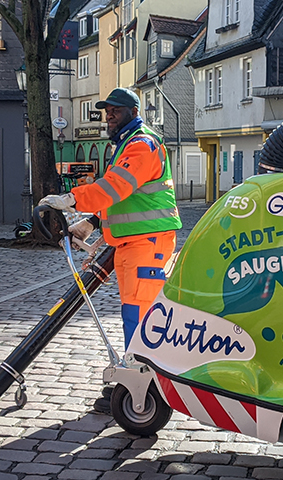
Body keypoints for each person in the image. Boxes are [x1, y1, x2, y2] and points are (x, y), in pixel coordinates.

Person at [39, 87, 182, 413]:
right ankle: (136, 381)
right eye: (107, 111)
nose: (110, 116)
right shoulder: (128, 145)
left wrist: (72, 199)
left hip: (147, 243)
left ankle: (142, 388)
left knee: (141, 315)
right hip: (136, 243)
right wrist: (92, 224)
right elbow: (126, 199)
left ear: (134, 112)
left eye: (116, 110)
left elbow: (115, 187)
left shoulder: (141, 145)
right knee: (135, 314)